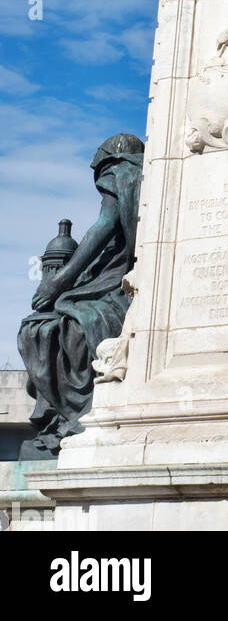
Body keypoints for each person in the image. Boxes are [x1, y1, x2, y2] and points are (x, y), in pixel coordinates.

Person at [18, 133, 144, 457]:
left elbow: (102, 226)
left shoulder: (124, 174)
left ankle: (72, 415)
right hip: (108, 281)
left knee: (43, 329)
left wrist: (57, 282)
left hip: (115, 286)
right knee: (52, 328)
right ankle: (61, 418)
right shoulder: (140, 179)